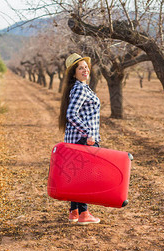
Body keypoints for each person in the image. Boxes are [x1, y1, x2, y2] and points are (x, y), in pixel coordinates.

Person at [59, 53, 101, 225]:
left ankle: (74, 212)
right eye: (80, 68)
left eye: (86, 67)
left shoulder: (79, 88)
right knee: (84, 176)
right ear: (74, 73)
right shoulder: (80, 89)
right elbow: (71, 114)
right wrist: (88, 133)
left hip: (77, 138)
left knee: (76, 176)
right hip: (83, 139)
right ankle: (84, 214)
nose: (85, 70)